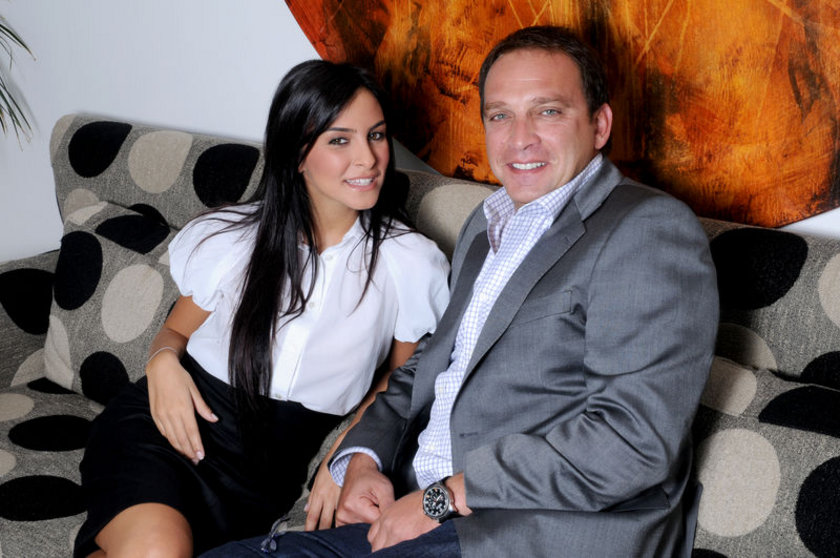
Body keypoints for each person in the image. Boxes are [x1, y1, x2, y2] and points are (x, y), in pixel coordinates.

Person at [205, 25, 719, 558]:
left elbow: (633, 442)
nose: (520, 138)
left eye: (547, 111)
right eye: (500, 115)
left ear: (600, 124)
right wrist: (361, 459)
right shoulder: (487, 222)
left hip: (526, 534)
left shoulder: (646, 229)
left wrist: (444, 497)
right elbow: (430, 364)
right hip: (420, 513)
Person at [73, 60, 451, 558]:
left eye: (376, 135)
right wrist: (161, 364)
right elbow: (175, 333)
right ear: (297, 154)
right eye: (340, 140)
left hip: (262, 479)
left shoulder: (410, 263)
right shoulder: (232, 238)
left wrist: (348, 455)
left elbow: (400, 384)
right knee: (157, 550)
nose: (368, 158)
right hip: (165, 432)